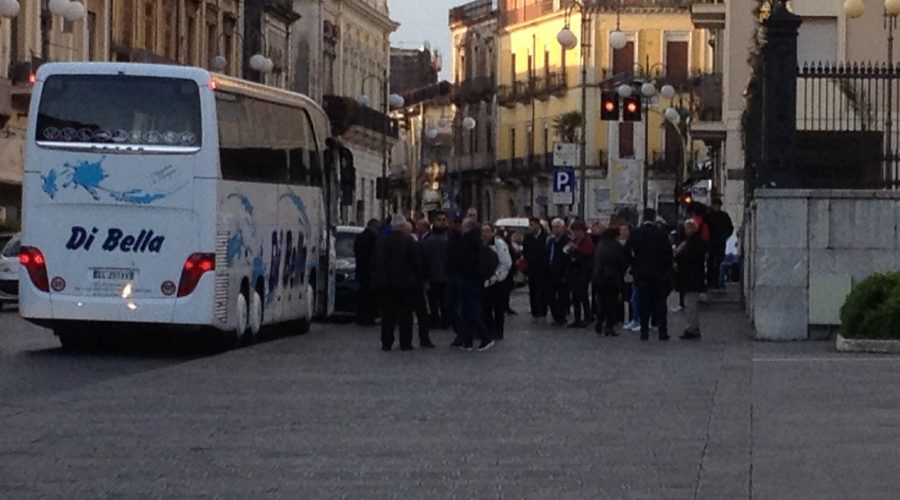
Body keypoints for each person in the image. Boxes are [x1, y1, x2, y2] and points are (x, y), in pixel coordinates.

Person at [371, 215, 421, 351]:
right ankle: (405, 342)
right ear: (403, 227)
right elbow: (416, 262)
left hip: (387, 284)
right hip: (405, 284)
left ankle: (386, 342)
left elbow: (376, 262)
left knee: (388, 316)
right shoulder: (409, 241)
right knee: (406, 316)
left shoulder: (381, 241)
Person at [624, 209, 674, 341]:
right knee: (660, 303)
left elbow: (626, 251)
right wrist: (666, 269)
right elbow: (669, 254)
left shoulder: (636, 233)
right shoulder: (661, 234)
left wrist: (634, 264)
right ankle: (662, 332)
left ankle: (644, 331)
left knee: (643, 302)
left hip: (641, 273)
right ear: (653, 218)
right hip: (659, 274)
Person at [450, 218, 494, 351]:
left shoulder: (470, 243)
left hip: (469, 279)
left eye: (464, 226)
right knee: (466, 312)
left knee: (472, 310)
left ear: (469, 228)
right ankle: (467, 341)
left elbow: (467, 263)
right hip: (469, 279)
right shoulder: (474, 242)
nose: (461, 228)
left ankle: (485, 338)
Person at [675, 218, 708, 340]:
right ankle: (692, 327)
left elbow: (691, 258)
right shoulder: (691, 242)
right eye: (685, 228)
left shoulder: (696, 243)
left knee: (691, 305)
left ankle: (691, 329)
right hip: (689, 278)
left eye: (688, 228)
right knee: (690, 304)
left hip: (691, 278)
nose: (686, 231)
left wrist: (679, 253)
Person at [593, 226, 627, 336]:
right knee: (611, 304)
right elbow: (622, 263)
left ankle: (599, 323)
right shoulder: (617, 247)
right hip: (612, 278)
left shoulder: (601, 245)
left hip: (599, 277)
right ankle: (609, 326)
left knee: (601, 302)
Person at [482, 223, 512, 340]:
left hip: (499, 281)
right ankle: (488, 329)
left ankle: (498, 331)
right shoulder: (481, 244)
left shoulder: (499, 244)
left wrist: (495, 278)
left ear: (492, 232)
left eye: (487, 231)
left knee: (498, 308)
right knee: (486, 307)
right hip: (486, 280)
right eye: (483, 231)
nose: (484, 234)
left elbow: (505, 263)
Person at [408, 220, 436, 348]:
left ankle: (406, 341)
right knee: (421, 313)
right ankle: (424, 339)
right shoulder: (419, 247)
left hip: (407, 283)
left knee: (407, 313)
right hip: (416, 283)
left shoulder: (414, 246)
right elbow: (423, 265)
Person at [421, 211, 450, 328]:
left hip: (446, 277)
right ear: (434, 222)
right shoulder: (428, 241)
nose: (442, 222)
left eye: (444, 220)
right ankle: (435, 320)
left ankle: (443, 320)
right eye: (439, 220)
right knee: (433, 302)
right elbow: (423, 259)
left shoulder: (450, 238)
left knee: (444, 302)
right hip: (433, 277)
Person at [566, 221, 595, 328]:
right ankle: (577, 319)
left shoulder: (587, 240)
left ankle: (587, 317)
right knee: (575, 296)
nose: (576, 233)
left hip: (584, 271)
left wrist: (576, 249)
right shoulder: (575, 240)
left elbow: (589, 252)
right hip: (575, 271)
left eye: (578, 231)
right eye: (575, 231)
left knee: (583, 295)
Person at [353, 218, 380, 326]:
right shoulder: (373, 237)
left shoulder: (359, 237)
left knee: (361, 295)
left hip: (361, 269)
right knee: (370, 296)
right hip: (370, 271)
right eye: (377, 227)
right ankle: (369, 318)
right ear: (373, 226)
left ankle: (360, 317)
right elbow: (376, 254)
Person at [523, 217, 550, 321]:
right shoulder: (528, 237)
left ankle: (543, 309)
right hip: (532, 268)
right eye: (530, 225)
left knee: (543, 290)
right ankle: (535, 311)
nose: (531, 227)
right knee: (533, 290)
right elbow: (525, 251)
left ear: (538, 225)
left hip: (543, 268)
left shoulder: (545, 237)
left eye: (533, 225)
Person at [546, 218, 572, 326]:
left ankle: (561, 317)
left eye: (558, 227)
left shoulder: (567, 241)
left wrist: (566, 274)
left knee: (562, 296)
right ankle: (555, 316)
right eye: (554, 227)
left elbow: (567, 258)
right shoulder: (551, 241)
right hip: (550, 272)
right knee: (550, 296)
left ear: (563, 228)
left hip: (561, 272)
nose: (555, 229)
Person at [705, 198, 735, 290]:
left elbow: (730, 228)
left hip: (720, 242)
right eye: (715, 205)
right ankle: (711, 281)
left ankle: (717, 281)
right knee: (711, 262)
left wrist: (724, 236)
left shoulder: (723, 216)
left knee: (718, 262)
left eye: (718, 205)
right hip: (711, 242)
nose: (717, 207)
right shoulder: (708, 216)